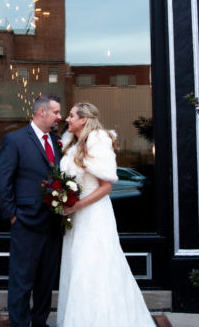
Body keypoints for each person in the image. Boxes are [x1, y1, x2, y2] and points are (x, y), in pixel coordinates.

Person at [56, 102, 153, 327]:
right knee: (77, 267)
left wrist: (75, 206)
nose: (67, 119)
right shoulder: (71, 143)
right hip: (76, 216)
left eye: (71, 115)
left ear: (84, 119)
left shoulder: (98, 141)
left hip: (94, 215)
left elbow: (106, 187)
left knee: (93, 266)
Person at [0, 94, 65, 327]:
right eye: (56, 112)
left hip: (53, 224)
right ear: (41, 112)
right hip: (25, 222)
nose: (59, 117)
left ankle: (40, 322)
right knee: (21, 281)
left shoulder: (57, 142)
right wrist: (13, 216)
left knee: (46, 281)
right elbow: (3, 181)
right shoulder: (15, 140)